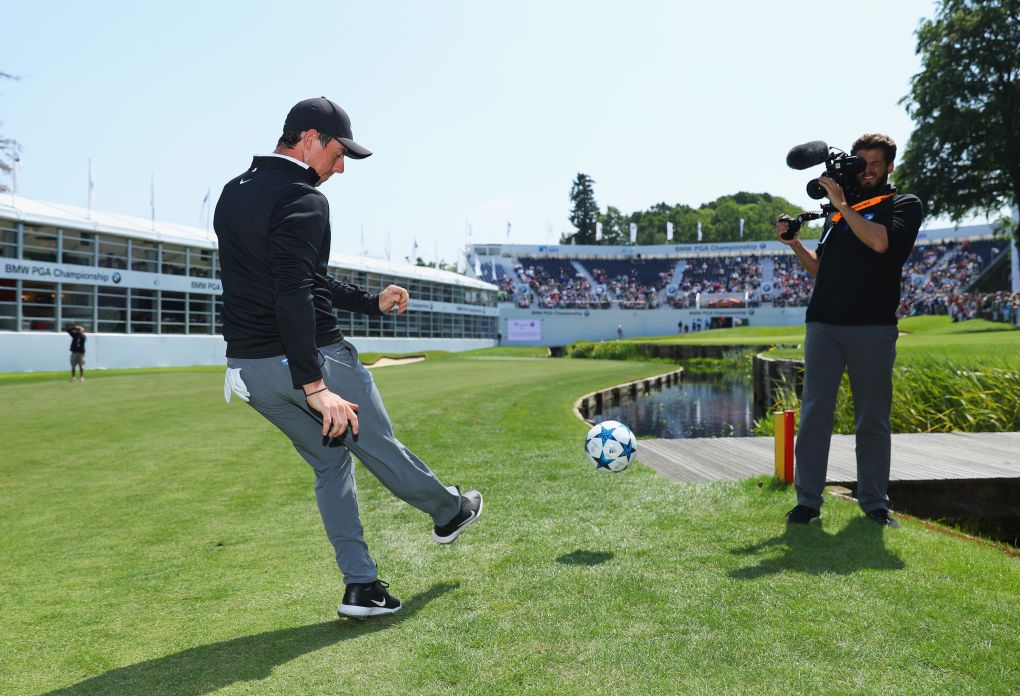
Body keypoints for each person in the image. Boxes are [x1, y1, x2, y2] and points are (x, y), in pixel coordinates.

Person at [214, 97, 482, 619]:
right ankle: (450, 512)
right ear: (309, 138)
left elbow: (298, 279)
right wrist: (315, 386)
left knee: (330, 464)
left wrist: (369, 302)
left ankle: (361, 588)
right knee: (381, 448)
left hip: (247, 373)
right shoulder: (304, 198)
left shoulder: (232, 192)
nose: (340, 169)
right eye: (337, 155)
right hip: (312, 362)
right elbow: (292, 290)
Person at [776, 133, 923, 528]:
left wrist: (842, 205)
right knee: (815, 414)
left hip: (874, 326)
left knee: (872, 418)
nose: (868, 171)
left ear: (889, 166)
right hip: (824, 323)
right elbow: (821, 270)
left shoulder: (903, 205)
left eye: (875, 164)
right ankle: (808, 501)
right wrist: (794, 244)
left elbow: (880, 243)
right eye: (862, 164)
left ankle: (874, 502)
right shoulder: (839, 214)